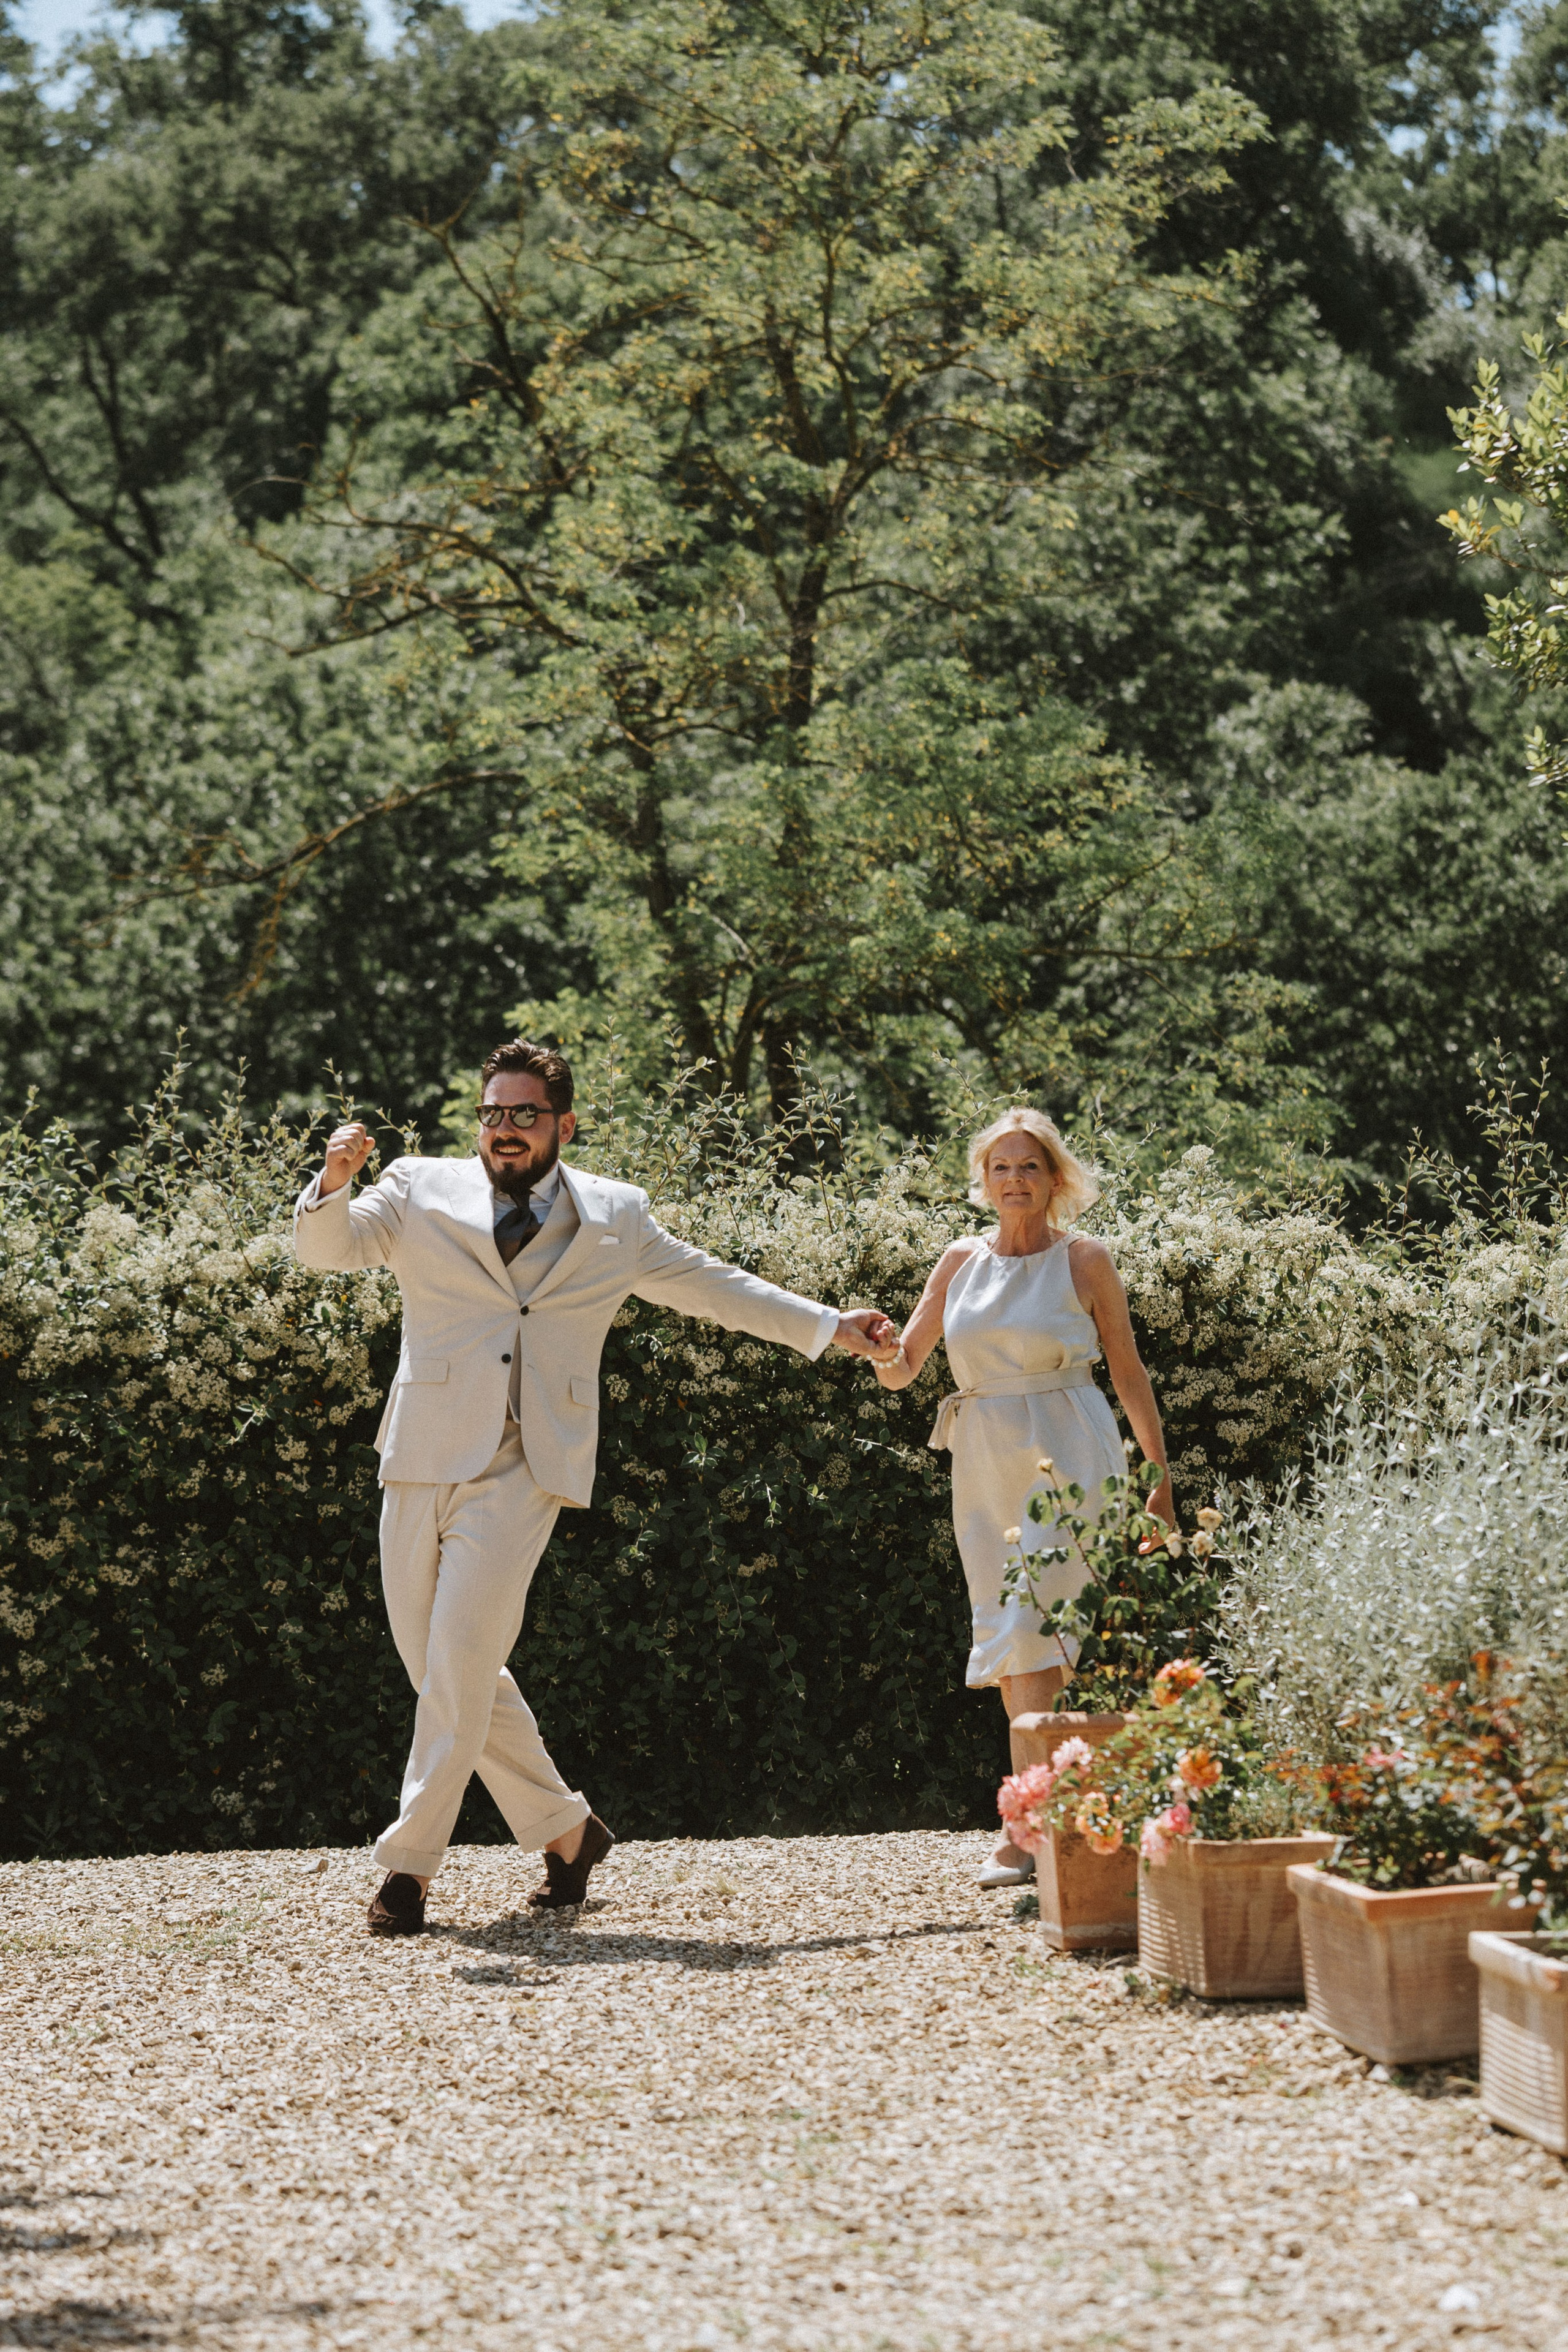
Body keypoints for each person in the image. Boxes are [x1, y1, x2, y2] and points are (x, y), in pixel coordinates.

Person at [294, 1038, 896, 1936]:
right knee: (442, 1668)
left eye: (524, 1114)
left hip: (528, 1466)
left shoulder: (617, 1217)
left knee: (457, 1661)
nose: (504, 1129)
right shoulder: (419, 1187)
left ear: (563, 1124)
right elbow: (327, 1251)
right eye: (493, 1113)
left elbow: (712, 1286)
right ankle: (568, 1833)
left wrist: (828, 1326)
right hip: (422, 1450)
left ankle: (407, 1871)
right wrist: (333, 1180)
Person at [873, 1107, 1172, 1888]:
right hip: (983, 1462)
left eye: (1028, 1167)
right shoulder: (958, 1261)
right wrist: (867, 1344)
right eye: (1000, 1167)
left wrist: (1157, 1483)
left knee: (1042, 1630)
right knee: (1014, 1640)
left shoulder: (1085, 1261)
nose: (1014, 1180)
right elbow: (904, 1368)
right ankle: (1053, 1818)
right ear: (983, 1179)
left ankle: (1027, 1830)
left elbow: (1130, 1374)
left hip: (1070, 1456)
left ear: (1055, 1179)